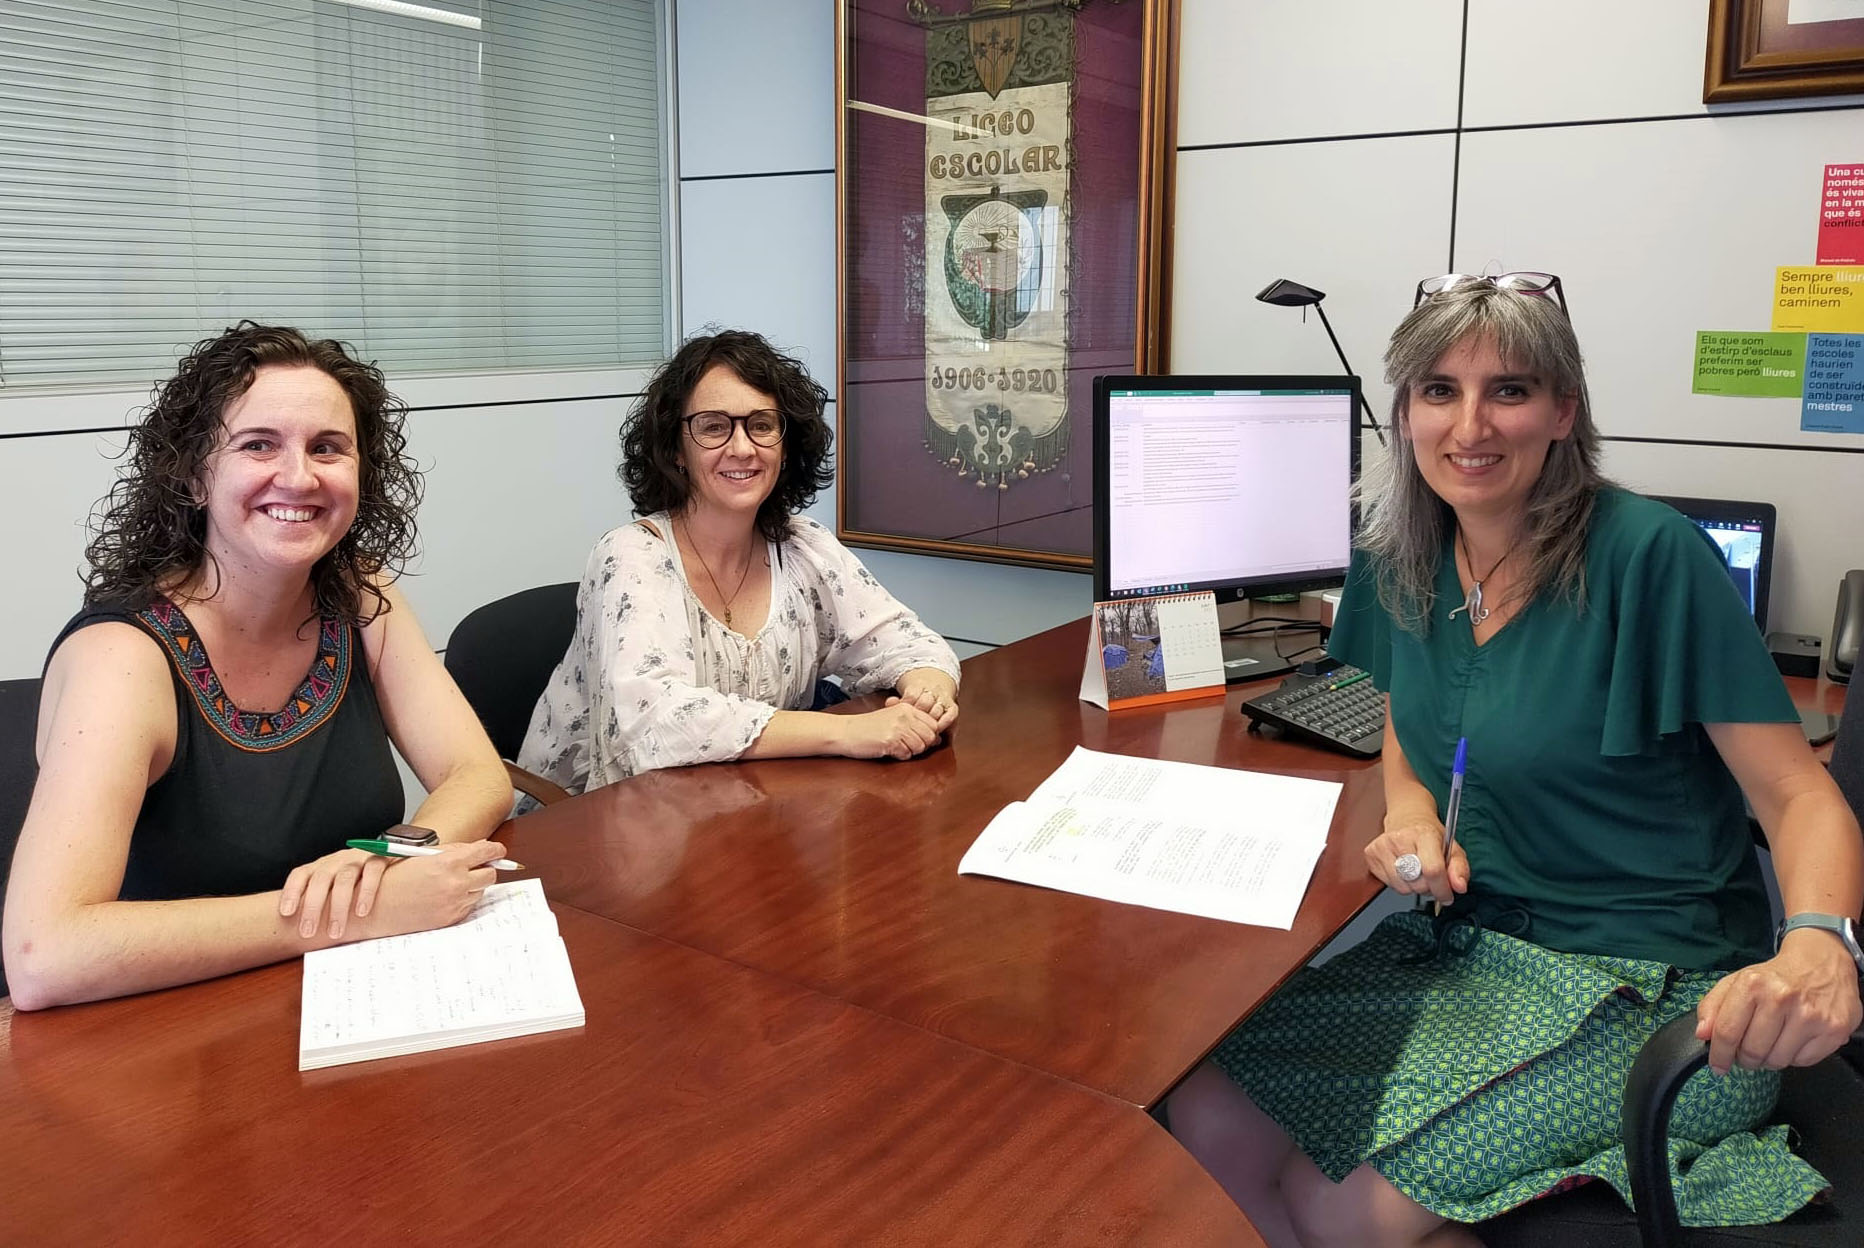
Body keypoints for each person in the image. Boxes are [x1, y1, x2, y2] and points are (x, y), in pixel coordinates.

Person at [1166, 275, 1864, 1246]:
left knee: (1338, 1202)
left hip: (1661, 989)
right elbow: (1406, 722)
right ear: (1405, 411)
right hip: (1471, 957)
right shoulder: (1400, 552)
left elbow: (1797, 796)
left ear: (1562, 411)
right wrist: (1409, 814)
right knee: (1200, 1112)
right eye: (1438, 391)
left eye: (1509, 390)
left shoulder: (1651, 558)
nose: (1470, 426)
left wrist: (1821, 941)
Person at [3, 323, 513, 1011]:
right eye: (258, 444)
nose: (299, 477)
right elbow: (43, 954)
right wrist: (358, 912)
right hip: (162, 1028)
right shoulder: (121, 657)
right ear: (194, 474)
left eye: (327, 447)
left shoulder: (361, 597)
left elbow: (476, 774)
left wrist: (388, 857)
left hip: (337, 996)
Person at [518, 329, 962, 793]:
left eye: (762, 425)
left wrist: (926, 695)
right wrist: (849, 732)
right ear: (676, 449)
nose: (743, 448)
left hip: (745, 801)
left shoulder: (803, 546)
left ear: (786, 445)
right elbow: (654, 725)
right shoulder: (630, 556)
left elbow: (904, 640)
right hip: (598, 815)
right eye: (714, 427)